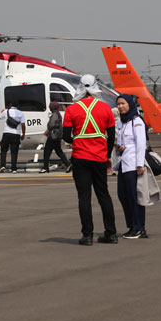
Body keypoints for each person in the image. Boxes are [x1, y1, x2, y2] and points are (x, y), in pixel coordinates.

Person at [62, 74, 118, 245]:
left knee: (84, 197)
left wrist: (78, 140)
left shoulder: (72, 109)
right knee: (103, 195)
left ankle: (87, 235)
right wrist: (107, 155)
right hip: (99, 157)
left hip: (80, 158)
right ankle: (111, 233)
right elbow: (111, 136)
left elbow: (65, 136)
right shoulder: (105, 108)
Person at [114, 94, 148, 239]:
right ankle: (131, 226)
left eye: (123, 104)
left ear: (129, 104)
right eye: (118, 104)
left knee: (135, 197)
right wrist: (118, 147)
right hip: (123, 163)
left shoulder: (137, 121)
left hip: (134, 164)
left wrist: (140, 164)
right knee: (123, 194)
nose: (120, 106)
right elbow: (118, 141)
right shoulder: (121, 122)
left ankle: (139, 227)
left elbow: (141, 144)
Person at [40, 101, 71, 173]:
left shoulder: (54, 114)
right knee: (59, 151)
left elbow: (51, 125)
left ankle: (45, 168)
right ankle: (68, 164)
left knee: (47, 152)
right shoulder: (58, 113)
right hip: (57, 136)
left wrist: (47, 131)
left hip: (52, 137)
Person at [0, 100, 25, 173]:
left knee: (3, 150)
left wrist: (2, 112)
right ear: (18, 106)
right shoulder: (21, 113)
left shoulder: (6, 111)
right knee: (14, 152)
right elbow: (23, 125)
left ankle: (2, 166)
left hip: (6, 133)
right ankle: (14, 169)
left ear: (10, 104)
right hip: (16, 134)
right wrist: (23, 134)